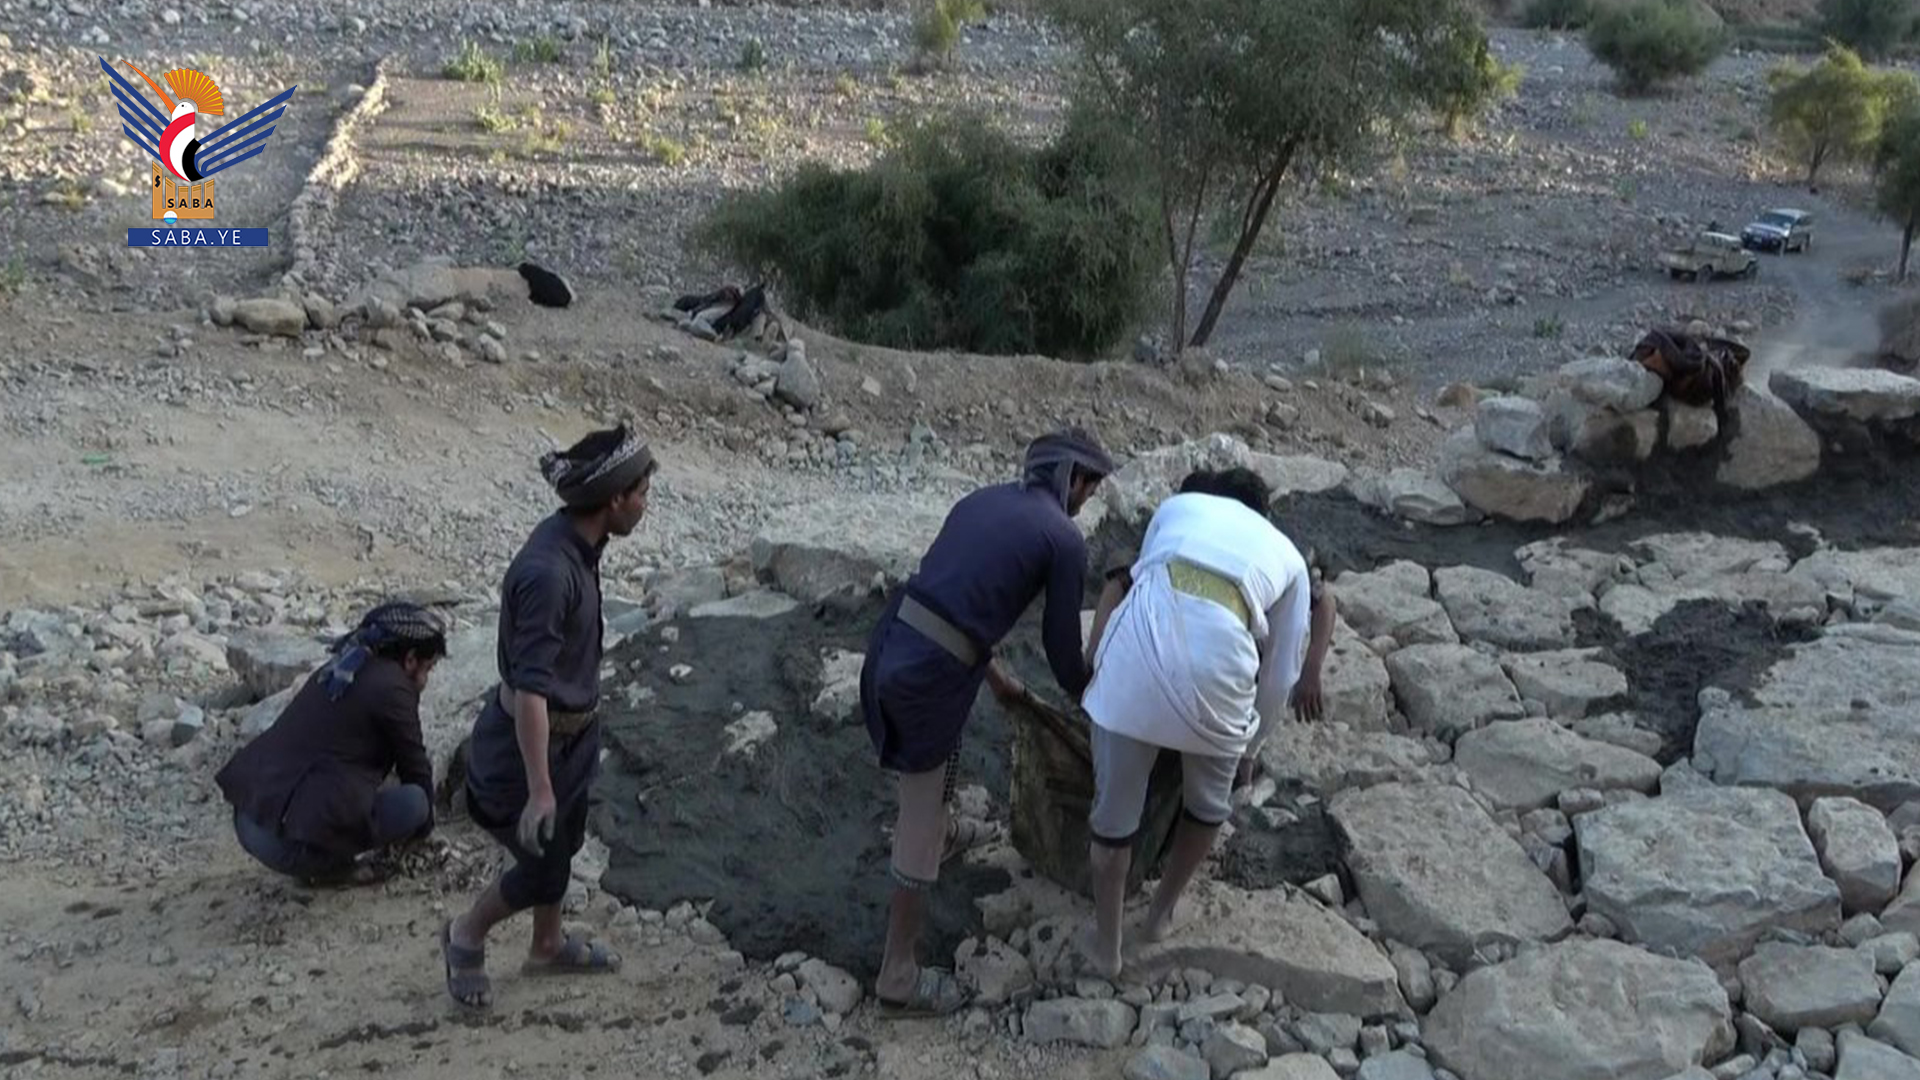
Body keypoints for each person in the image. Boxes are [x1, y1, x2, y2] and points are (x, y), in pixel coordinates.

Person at [860, 426, 1115, 1018]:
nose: (1087, 500)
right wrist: (1095, 695)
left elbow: (953, 598)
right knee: (917, 815)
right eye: (1089, 488)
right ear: (1071, 477)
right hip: (926, 675)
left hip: (892, 646)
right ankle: (898, 973)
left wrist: (996, 678)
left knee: (938, 756)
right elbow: (1060, 651)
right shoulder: (1063, 538)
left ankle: (947, 837)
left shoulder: (982, 501)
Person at [441, 424, 657, 1010]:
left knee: (561, 849)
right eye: (641, 490)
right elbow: (532, 693)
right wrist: (539, 789)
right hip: (523, 753)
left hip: (571, 741)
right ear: (613, 499)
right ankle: (465, 934)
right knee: (541, 869)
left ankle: (546, 945)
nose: (645, 501)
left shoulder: (581, 544)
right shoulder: (548, 573)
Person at [1076, 466, 1317, 979]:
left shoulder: (1174, 509)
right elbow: (1281, 673)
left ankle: (1107, 943)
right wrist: (1250, 748)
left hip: (1136, 657)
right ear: (1262, 515)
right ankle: (1161, 915)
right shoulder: (1289, 558)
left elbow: (1144, 585)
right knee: (1208, 806)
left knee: (1114, 818)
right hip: (1223, 666)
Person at [214, 601, 447, 887]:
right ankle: (330, 868)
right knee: (415, 802)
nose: (427, 678)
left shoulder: (344, 664)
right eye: (429, 667)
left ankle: (315, 850)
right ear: (410, 659)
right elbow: (415, 764)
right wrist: (424, 830)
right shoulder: (394, 688)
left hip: (248, 819)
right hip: (284, 846)